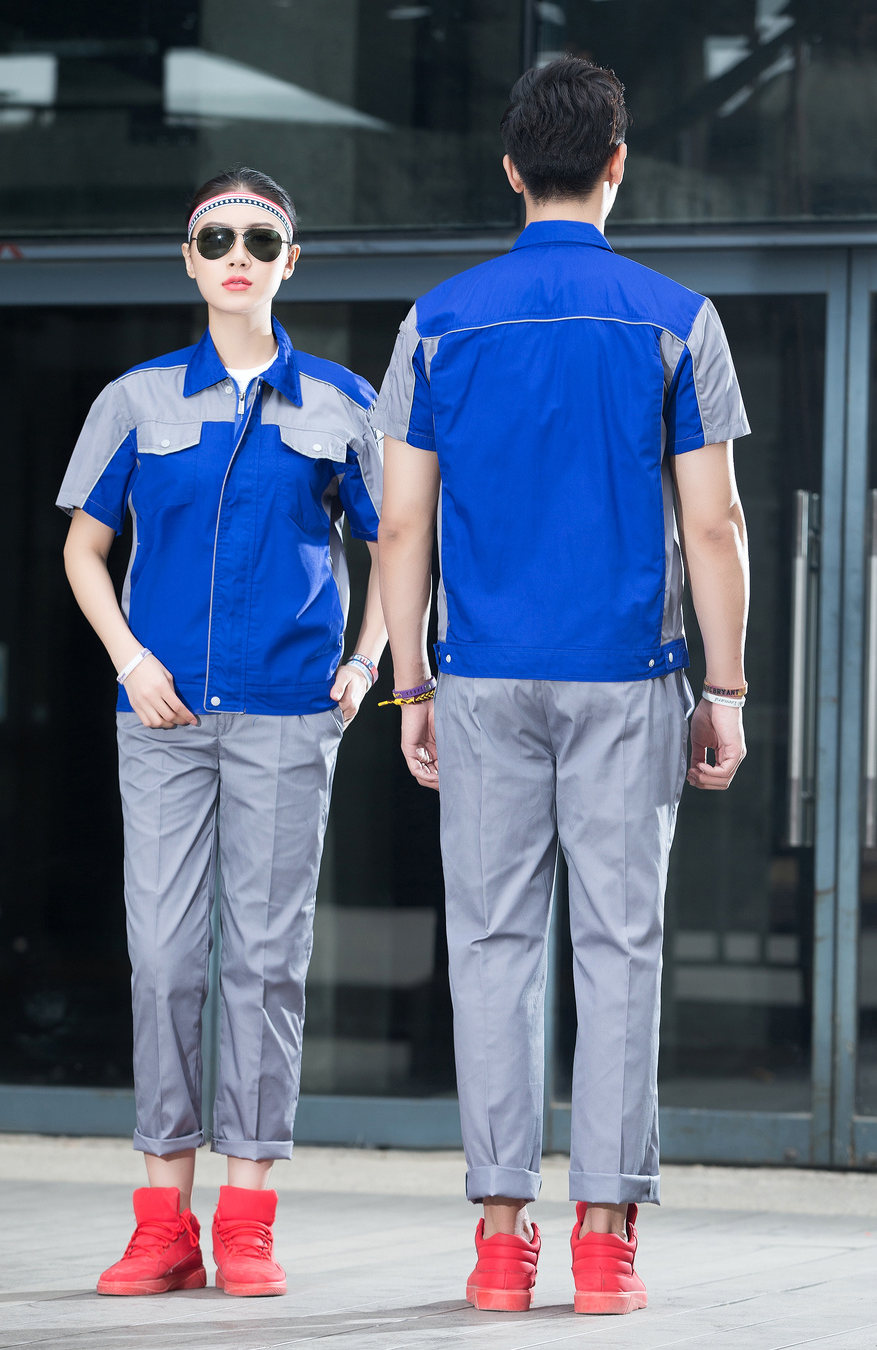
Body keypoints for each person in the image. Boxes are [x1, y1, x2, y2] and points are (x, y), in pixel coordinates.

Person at [375, 58, 749, 1316]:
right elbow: (714, 527)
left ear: (510, 169)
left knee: (490, 945)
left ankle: (498, 1239)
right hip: (627, 676)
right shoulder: (677, 319)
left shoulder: (436, 323)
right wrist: (727, 688)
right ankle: (602, 1242)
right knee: (621, 945)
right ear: (619, 165)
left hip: (481, 678)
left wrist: (412, 686)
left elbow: (400, 528)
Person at [57, 166, 385, 1298]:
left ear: (291, 261)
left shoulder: (340, 402)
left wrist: (366, 665)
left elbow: (399, 546)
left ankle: (246, 1218)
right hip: (162, 717)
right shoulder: (136, 400)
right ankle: (163, 1223)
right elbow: (83, 549)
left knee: (263, 962)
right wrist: (130, 659)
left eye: (260, 239)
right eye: (216, 239)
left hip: (290, 713)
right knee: (162, 961)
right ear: (188, 259)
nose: (237, 256)